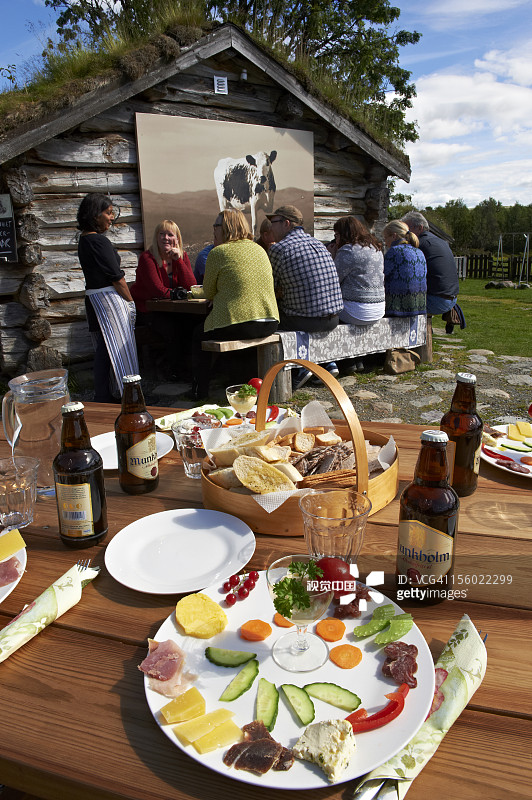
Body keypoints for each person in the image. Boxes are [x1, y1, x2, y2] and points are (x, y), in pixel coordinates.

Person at [190, 209, 279, 399]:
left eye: (216, 226)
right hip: (269, 321)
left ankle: (200, 392)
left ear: (226, 228)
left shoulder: (219, 252)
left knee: (198, 333)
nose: (213, 230)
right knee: (237, 334)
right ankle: (243, 387)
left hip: (240, 323)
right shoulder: (259, 249)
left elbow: (208, 291)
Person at [267, 205, 344, 387]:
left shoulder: (279, 249)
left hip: (307, 319)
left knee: (271, 318)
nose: (270, 227)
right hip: (333, 319)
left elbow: (270, 286)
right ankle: (326, 363)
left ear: (287, 223)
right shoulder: (317, 243)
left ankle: (301, 368)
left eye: (273, 222)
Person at [77, 192, 138, 403]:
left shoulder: (84, 240)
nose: (112, 218)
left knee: (104, 348)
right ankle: (124, 394)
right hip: (108, 300)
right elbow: (116, 277)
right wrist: (130, 302)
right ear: (95, 215)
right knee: (118, 347)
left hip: (93, 299)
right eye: (108, 213)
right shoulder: (98, 241)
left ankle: (104, 393)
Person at [130, 220, 196, 378]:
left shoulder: (182, 255)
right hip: (148, 309)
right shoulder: (148, 258)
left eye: (170, 234)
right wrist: (175, 294)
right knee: (171, 328)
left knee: (191, 324)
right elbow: (156, 289)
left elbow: (191, 285)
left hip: (172, 310)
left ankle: (191, 370)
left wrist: (178, 260)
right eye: (161, 234)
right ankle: (175, 372)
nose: (165, 238)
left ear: (177, 239)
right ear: (156, 237)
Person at [401, 211, 462, 332]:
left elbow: (407, 274)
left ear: (419, 228)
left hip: (435, 300)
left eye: (407, 229)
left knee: (394, 303)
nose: (404, 234)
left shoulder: (420, 245)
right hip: (451, 298)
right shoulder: (440, 241)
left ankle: (402, 341)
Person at [333, 216, 385, 325]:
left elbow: (333, 280)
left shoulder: (348, 250)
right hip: (379, 310)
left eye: (336, 235)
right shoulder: (375, 248)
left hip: (357, 312)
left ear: (344, 234)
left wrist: (331, 256)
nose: (336, 240)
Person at [383, 220, 427, 317]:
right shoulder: (419, 252)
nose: (385, 243)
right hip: (419, 306)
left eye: (385, 238)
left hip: (398, 307)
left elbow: (382, 276)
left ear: (394, 236)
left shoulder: (394, 252)